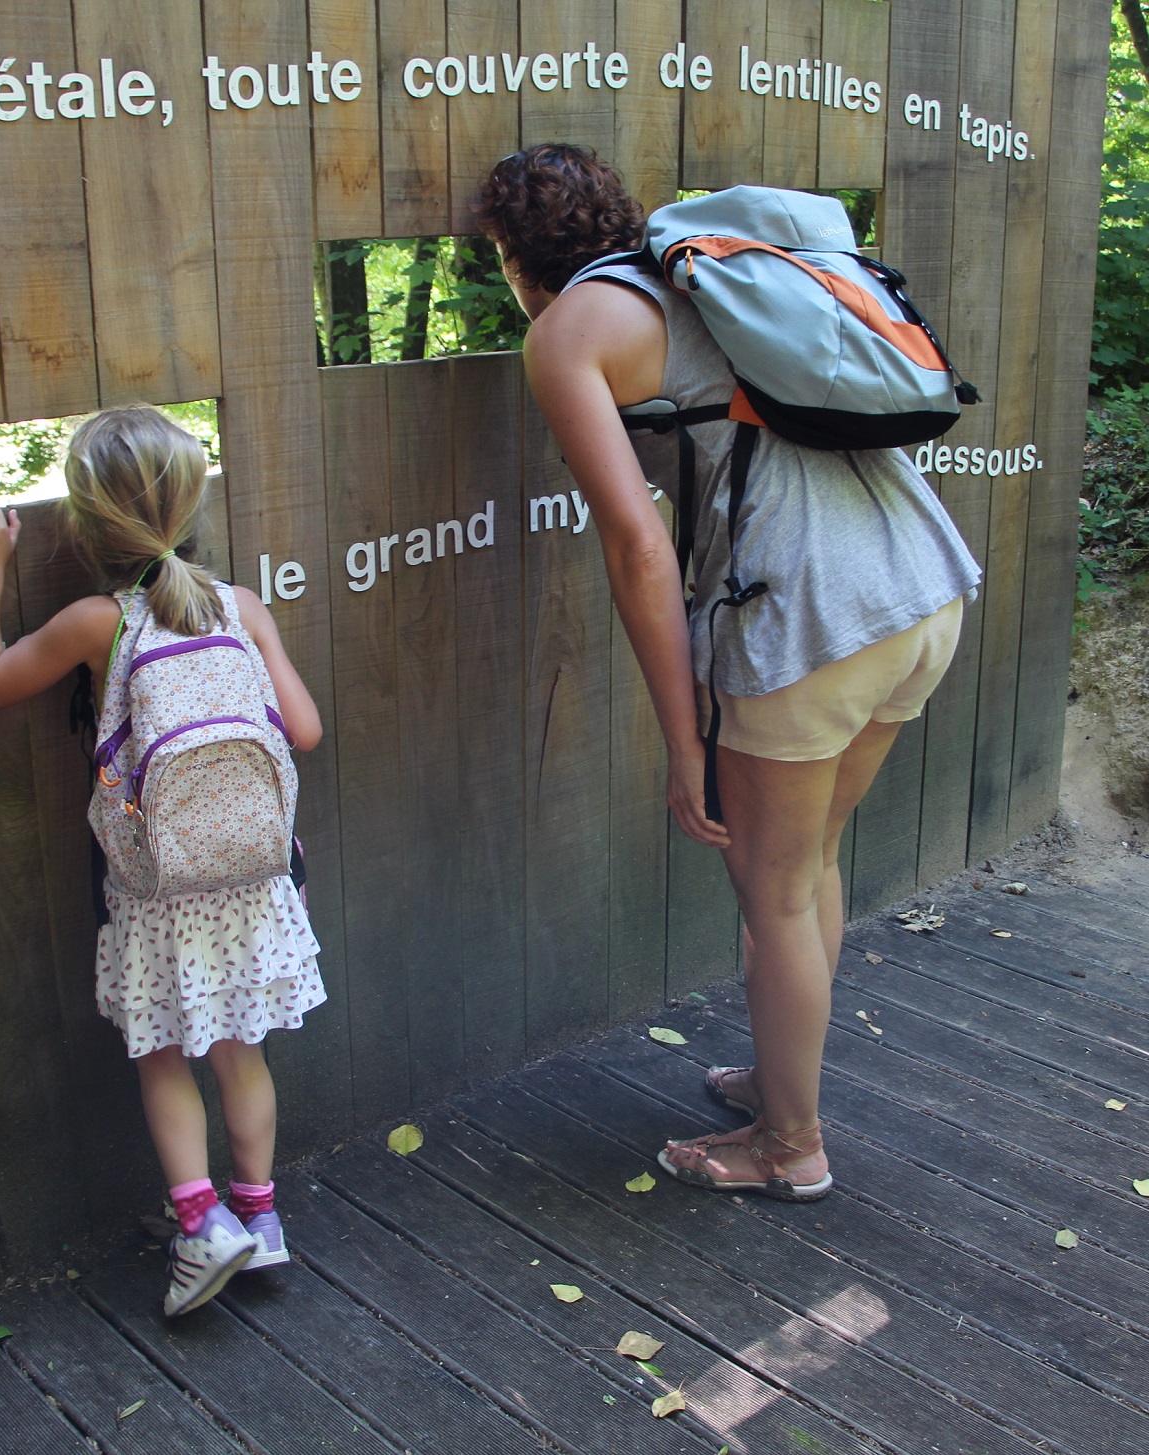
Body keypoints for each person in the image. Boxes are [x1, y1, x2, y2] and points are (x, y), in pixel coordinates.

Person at [476, 145, 980, 1201]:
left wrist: (682, 738)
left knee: (774, 891)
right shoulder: (710, 275)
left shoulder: (570, 330)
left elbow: (638, 547)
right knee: (806, 869)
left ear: (509, 254)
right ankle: (777, 1080)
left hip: (810, 615)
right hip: (919, 587)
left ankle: (790, 1146)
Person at [0, 406, 325, 1314]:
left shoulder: (98, 623)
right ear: (193, 499)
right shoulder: (239, 605)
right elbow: (305, 731)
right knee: (242, 1052)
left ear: (85, 523)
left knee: (164, 1055)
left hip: (158, 890)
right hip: (253, 879)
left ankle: (201, 1231)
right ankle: (261, 1220)